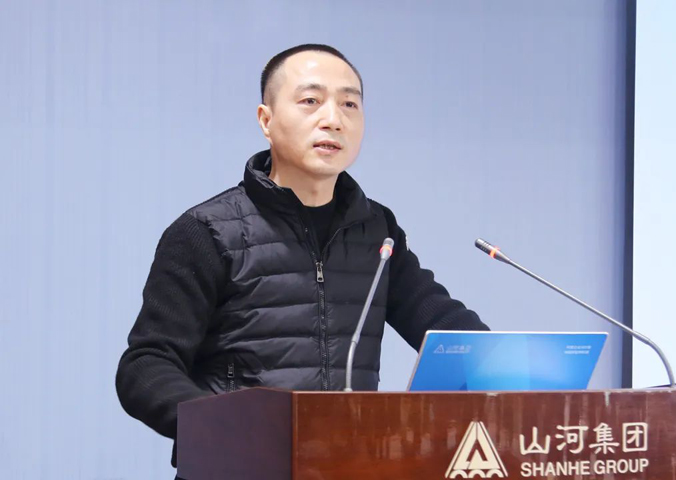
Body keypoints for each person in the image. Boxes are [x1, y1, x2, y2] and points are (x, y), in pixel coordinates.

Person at [115, 43, 489, 468]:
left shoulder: (376, 231)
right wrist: (223, 426)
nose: (334, 119)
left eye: (349, 104)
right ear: (266, 120)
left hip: (346, 467)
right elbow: (146, 365)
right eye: (311, 101)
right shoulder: (208, 232)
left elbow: (449, 331)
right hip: (238, 468)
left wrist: (513, 369)